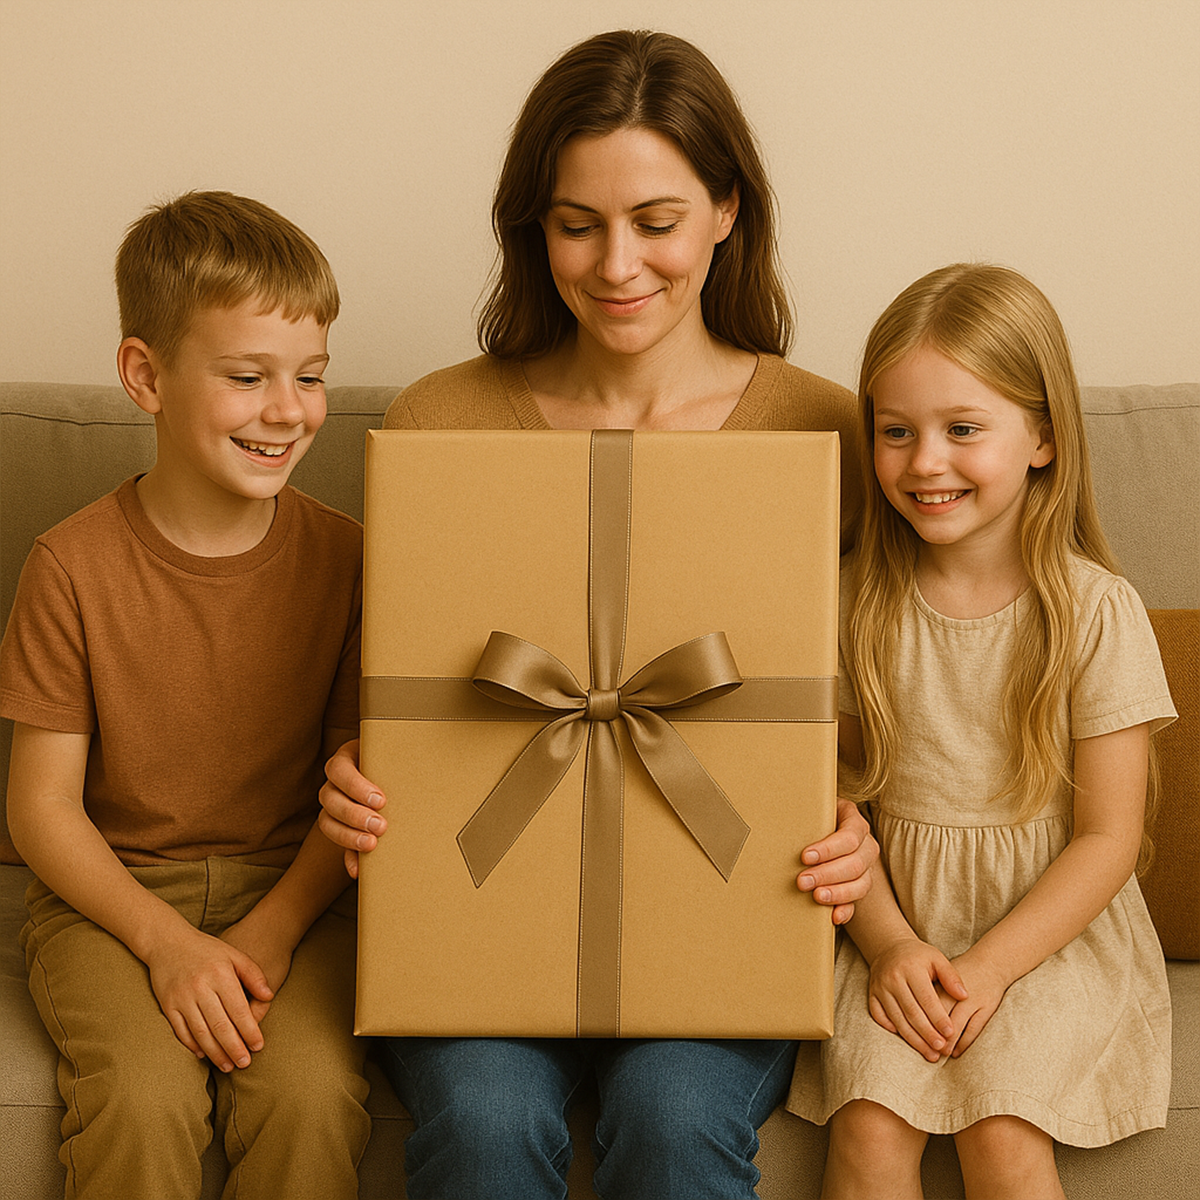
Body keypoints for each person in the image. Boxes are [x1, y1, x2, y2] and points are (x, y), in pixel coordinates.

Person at [319, 29, 877, 1200]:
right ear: (535, 228)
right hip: (469, 921)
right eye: (577, 224)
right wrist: (351, 783)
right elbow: (394, 695)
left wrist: (861, 828)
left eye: (656, 220)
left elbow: (897, 685)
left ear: (728, 209)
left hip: (734, 915)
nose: (617, 263)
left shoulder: (828, 432)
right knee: (481, 1116)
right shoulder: (437, 422)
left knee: (675, 1118)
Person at [0, 191, 371, 1198]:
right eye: (248, 377)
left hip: (294, 893)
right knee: (138, 1098)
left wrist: (269, 932)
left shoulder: (349, 559)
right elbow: (38, 806)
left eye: (310, 378)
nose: (288, 409)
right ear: (146, 375)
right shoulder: (68, 567)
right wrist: (165, 944)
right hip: (111, 902)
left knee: (311, 1096)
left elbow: (357, 795)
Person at [787, 263, 1175, 1199]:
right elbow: (828, 802)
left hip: (1046, 933)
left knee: (1002, 1129)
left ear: (1042, 436)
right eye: (896, 432)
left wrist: (992, 969)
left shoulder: (1093, 610)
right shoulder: (847, 600)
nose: (925, 462)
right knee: (872, 1127)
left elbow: (1109, 837)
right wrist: (887, 946)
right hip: (896, 919)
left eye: (963, 430)